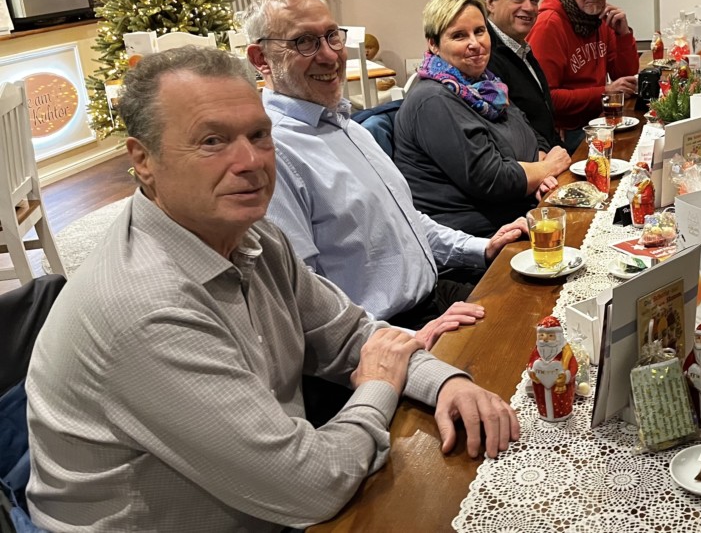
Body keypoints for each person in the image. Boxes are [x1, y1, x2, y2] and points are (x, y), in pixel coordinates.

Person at [24, 46, 519, 532]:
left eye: (259, 135)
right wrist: (378, 385)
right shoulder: (143, 306)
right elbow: (312, 487)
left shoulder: (253, 235)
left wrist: (446, 382)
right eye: (212, 141)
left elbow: (351, 335)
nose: (251, 161)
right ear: (143, 160)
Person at [244, 0, 522, 341]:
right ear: (260, 59)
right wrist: (407, 341)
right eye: (304, 42)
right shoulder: (274, 153)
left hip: (434, 298)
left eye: (332, 36)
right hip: (385, 337)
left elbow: (407, 222)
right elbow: (303, 304)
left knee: (544, 321)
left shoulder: (346, 126)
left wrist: (481, 248)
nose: (330, 56)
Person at [394, 0, 571, 238]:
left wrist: (538, 173)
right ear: (433, 44)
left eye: (479, 31)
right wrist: (549, 167)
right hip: (476, 242)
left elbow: (532, 136)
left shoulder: (487, 86)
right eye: (459, 35)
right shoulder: (433, 100)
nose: (475, 44)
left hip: (519, 214)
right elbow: (492, 179)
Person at [526, 0, 639, 152]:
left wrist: (623, 36)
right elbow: (546, 98)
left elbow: (626, 76)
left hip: (598, 118)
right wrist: (604, 92)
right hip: (567, 132)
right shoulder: (548, 25)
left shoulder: (601, 18)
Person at [482, 0, 563, 149]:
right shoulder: (485, 56)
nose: (529, 7)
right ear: (490, 2)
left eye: (534, 0)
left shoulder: (521, 47)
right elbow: (506, 129)